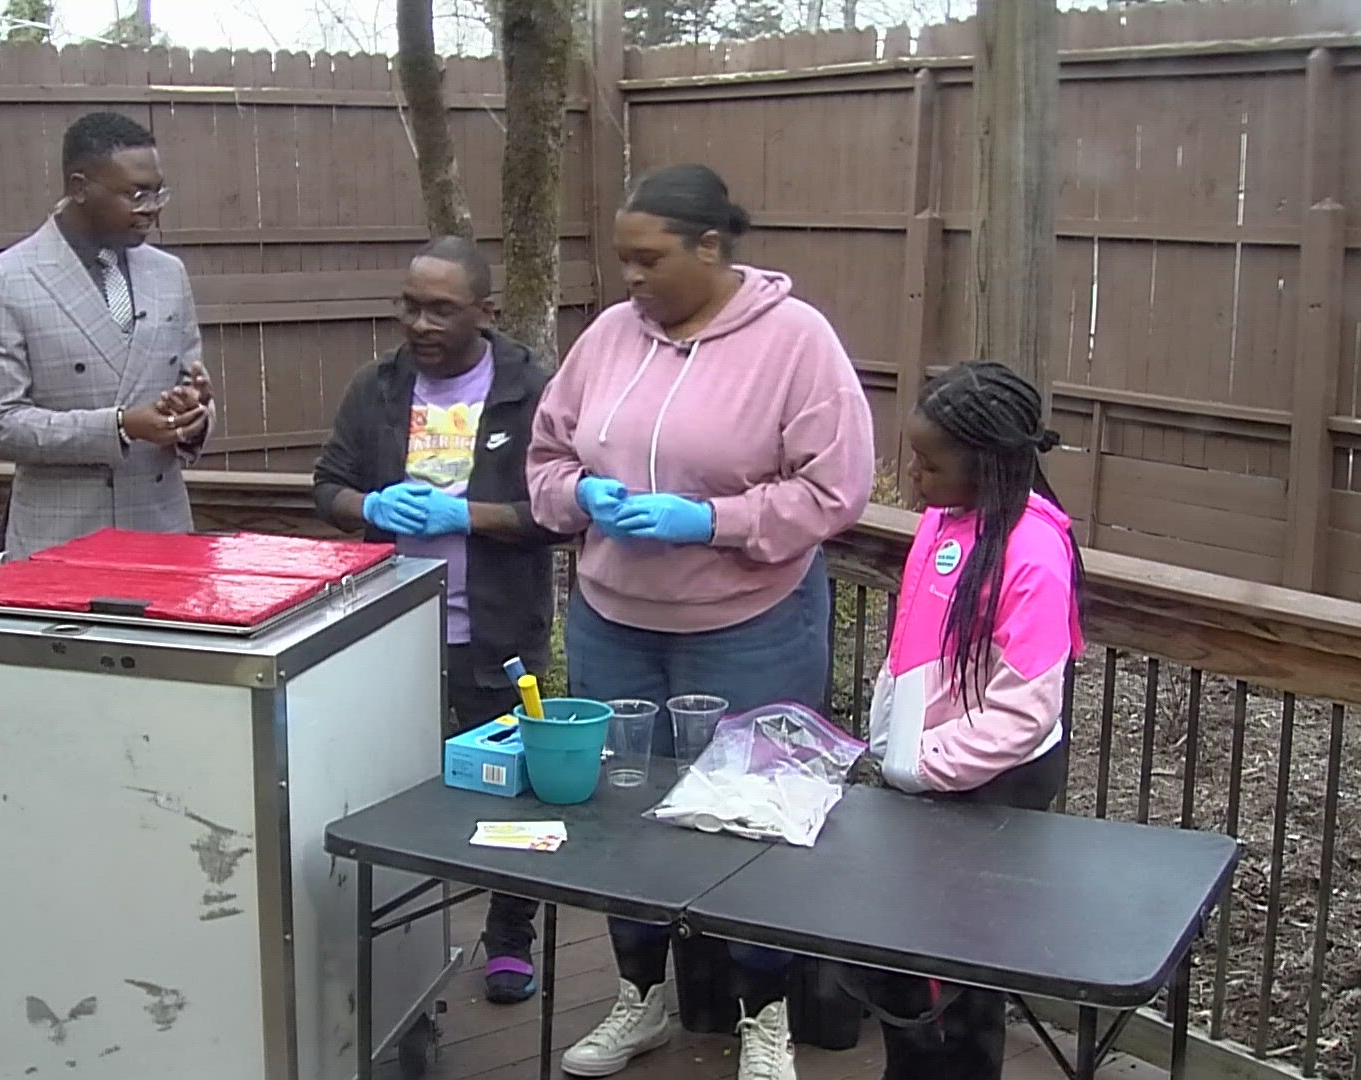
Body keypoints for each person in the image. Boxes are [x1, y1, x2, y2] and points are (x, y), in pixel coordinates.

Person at [526, 164, 875, 1080]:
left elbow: (835, 488)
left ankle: (765, 1014)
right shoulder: (607, 336)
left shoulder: (797, 342)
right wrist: (580, 493)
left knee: (754, 813)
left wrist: (711, 520)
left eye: (649, 259)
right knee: (624, 811)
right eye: (622, 261)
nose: (630, 279)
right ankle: (641, 996)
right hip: (613, 621)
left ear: (711, 247)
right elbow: (547, 459)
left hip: (749, 622)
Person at [312, 236, 568, 1005]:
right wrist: (369, 507)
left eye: (441, 309)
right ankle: (404, 931)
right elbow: (328, 485)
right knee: (389, 787)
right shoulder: (378, 388)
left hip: (496, 633)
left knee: (510, 791)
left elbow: (556, 514)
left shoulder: (532, 391)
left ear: (485, 312)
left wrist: (468, 515)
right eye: (410, 306)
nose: (420, 324)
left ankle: (510, 940)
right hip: (392, 632)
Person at [859, 359, 1085, 1079]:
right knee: (903, 948)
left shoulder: (1035, 554)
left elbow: (1024, 710)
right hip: (922, 774)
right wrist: (888, 727)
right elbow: (915, 643)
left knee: (962, 971)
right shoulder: (944, 520)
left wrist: (921, 765)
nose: (913, 476)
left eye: (929, 463)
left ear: (985, 463)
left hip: (993, 785)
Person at [0, 111, 214, 560]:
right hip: (62, 543)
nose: (152, 208)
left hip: (162, 534)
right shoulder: (5, 280)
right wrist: (119, 426)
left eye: (158, 191)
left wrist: (192, 418)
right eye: (136, 194)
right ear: (79, 187)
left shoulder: (168, 275)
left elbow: (188, 386)